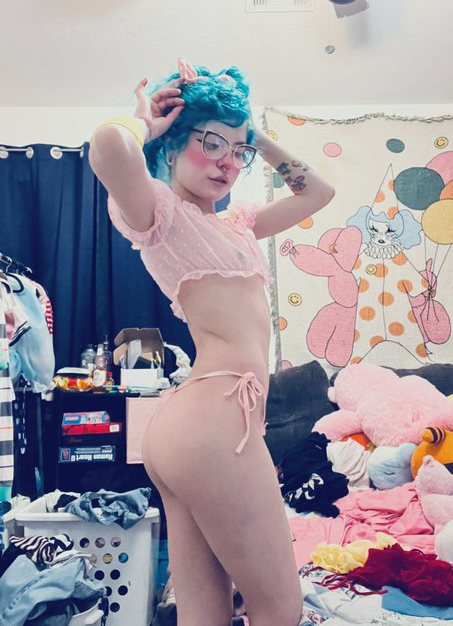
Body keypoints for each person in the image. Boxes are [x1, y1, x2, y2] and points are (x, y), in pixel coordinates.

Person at [89, 58, 335, 626]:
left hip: (196, 425)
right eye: (210, 143)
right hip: (214, 420)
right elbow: (107, 147)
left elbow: (317, 193)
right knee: (280, 608)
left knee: (205, 609)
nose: (227, 161)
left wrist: (252, 134)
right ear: (173, 146)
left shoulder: (236, 223)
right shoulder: (161, 214)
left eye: (236, 151)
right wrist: (146, 122)